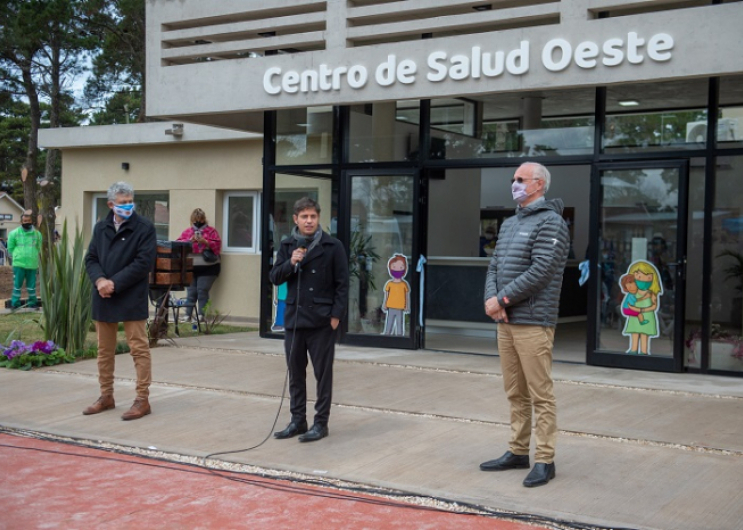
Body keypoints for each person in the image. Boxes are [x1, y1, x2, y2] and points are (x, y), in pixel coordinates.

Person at [480, 162, 570, 488]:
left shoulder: (552, 223)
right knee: (515, 392)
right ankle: (518, 451)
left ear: (539, 185)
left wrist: (501, 300)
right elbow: (494, 265)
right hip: (506, 321)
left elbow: (541, 271)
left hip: (533, 322)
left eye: (521, 179)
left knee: (540, 394)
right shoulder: (508, 224)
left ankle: (545, 459)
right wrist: (494, 302)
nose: (514, 183)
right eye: (513, 179)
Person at [269, 197, 349, 443]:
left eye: (313, 216)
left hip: (322, 321)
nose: (309, 221)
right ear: (296, 219)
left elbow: (342, 285)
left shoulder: (333, 246)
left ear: (318, 218)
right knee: (295, 373)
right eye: (304, 217)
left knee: (322, 375)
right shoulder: (287, 245)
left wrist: (335, 317)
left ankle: (320, 423)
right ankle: (297, 420)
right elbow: (274, 277)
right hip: (294, 320)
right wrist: (291, 262)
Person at [83, 181, 157, 421]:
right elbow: (91, 258)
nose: (127, 206)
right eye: (122, 203)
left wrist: (114, 283)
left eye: (129, 202)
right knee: (104, 350)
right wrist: (100, 281)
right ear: (110, 204)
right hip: (103, 294)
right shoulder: (101, 227)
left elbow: (143, 262)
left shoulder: (144, 227)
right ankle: (106, 396)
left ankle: (142, 399)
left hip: (130, 295)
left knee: (139, 349)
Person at [177, 208, 222, 322]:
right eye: (196, 220)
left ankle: (201, 315)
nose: (198, 222)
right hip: (190, 267)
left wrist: (205, 241)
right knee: (191, 292)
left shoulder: (211, 231)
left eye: (200, 219)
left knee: (202, 291)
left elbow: (217, 246)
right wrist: (189, 241)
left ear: (204, 219)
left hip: (209, 268)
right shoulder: (187, 232)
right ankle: (187, 315)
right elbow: (178, 245)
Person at [7, 212, 42, 309]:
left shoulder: (37, 234)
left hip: (32, 264)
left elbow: (39, 247)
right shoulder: (14, 233)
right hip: (19, 264)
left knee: (32, 286)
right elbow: (10, 248)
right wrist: (17, 256)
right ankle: (15, 304)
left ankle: (32, 303)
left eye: (28, 220)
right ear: (21, 221)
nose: (27, 222)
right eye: (25, 221)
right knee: (17, 285)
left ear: (32, 221)